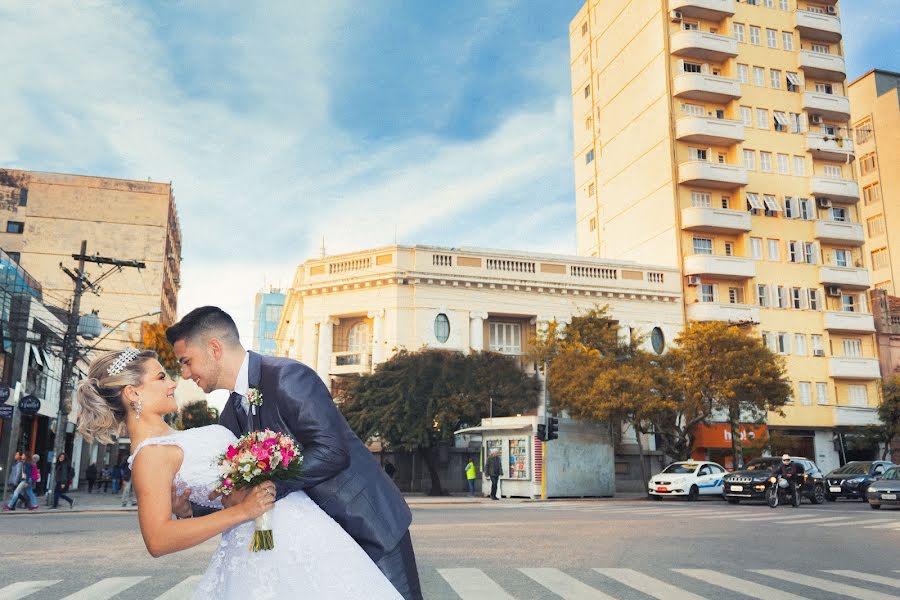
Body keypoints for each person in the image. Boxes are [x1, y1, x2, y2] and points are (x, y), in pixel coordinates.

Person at [75, 346, 404, 598]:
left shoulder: (172, 438)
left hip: (301, 533)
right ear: (133, 393)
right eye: (161, 377)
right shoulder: (149, 456)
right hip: (267, 547)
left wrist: (195, 508)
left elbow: (225, 492)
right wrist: (244, 512)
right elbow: (158, 540)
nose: (173, 382)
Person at [166, 307, 420, 599]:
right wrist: (191, 510)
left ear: (214, 348)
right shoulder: (231, 414)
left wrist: (270, 486)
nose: (185, 374)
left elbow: (333, 451)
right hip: (319, 543)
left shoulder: (287, 376)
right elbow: (237, 487)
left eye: (187, 362)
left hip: (367, 526)